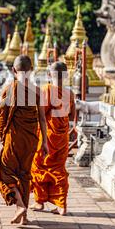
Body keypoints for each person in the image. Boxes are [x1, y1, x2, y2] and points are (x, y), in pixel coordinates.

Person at [0, 55, 49, 225]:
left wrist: (2, 135)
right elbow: (42, 118)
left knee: (4, 171)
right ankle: (24, 218)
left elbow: (2, 114)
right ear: (31, 70)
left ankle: (20, 206)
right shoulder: (37, 91)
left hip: (14, 138)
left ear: (13, 70)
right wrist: (45, 142)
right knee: (24, 174)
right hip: (32, 139)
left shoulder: (10, 89)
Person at [30, 62, 75, 216]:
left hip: (47, 136)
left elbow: (41, 116)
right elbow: (71, 116)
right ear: (67, 76)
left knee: (39, 166)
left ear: (49, 75)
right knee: (59, 169)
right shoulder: (70, 94)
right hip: (62, 137)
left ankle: (39, 201)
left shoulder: (46, 90)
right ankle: (61, 205)